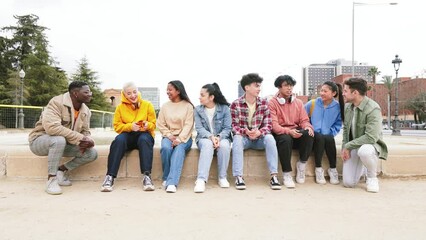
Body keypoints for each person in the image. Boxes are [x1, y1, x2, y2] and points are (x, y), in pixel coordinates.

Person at [28, 81, 98, 195]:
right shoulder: (56, 102)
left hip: (64, 143)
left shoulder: (86, 111)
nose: (90, 93)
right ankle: (51, 179)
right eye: (87, 92)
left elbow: (85, 131)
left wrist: (88, 140)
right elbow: (52, 128)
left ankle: (61, 171)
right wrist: (80, 137)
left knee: (91, 153)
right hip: (39, 141)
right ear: (75, 93)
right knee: (58, 139)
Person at [100, 82, 156, 192]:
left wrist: (146, 125)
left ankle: (147, 176)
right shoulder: (120, 108)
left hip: (144, 134)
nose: (133, 95)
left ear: (138, 91)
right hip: (128, 135)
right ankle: (109, 177)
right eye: (129, 93)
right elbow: (117, 127)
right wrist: (130, 126)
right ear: (124, 95)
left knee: (144, 139)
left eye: (134, 92)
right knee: (118, 140)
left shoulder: (147, 105)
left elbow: (153, 124)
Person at [230, 73, 281, 190]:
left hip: (259, 139)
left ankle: (274, 176)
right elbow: (233, 126)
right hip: (244, 139)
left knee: (269, 138)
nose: (259, 88)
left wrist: (259, 132)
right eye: (256, 86)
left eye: (259, 86)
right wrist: (245, 132)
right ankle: (239, 177)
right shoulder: (235, 104)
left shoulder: (264, 103)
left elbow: (268, 125)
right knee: (237, 138)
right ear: (247, 87)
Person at [341, 78, 388, 193]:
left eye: (345, 91)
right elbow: (346, 130)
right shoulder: (348, 107)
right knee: (348, 183)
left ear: (355, 93)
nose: (343, 93)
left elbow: (371, 137)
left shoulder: (373, 108)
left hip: (370, 146)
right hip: (354, 146)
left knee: (364, 151)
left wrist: (348, 145)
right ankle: (362, 167)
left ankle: (372, 177)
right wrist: (344, 148)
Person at [268, 75, 314, 188]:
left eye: (291, 86)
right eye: (286, 86)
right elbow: (274, 126)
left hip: (295, 132)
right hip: (281, 134)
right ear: (279, 87)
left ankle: (302, 165)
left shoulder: (298, 103)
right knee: (285, 138)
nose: (289, 88)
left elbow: (304, 120)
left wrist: (307, 126)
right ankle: (286, 174)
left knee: (309, 133)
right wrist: (289, 131)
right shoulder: (272, 103)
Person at [193, 83, 232, 193]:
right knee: (207, 144)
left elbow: (227, 128)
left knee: (224, 145)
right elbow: (199, 128)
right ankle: (201, 180)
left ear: (211, 97)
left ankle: (222, 177)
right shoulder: (197, 110)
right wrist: (211, 137)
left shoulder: (224, 109)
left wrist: (218, 137)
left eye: (202, 95)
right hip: (204, 138)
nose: (199, 97)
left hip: (221, 137)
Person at [157, 80, 194, 193]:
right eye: (167, 90)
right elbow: (160, 124)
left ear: (178, 91)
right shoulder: (165, 106)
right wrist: (169, 135)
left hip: (184, 138)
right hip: (168, 136)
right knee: (166, 148)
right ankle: (166, 177)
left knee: (179, 150)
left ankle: (172, 183)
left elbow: (188, 125)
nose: (167, 92)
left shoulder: (188, 106)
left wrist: (179, 139)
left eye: (170, 90)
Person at [304, 81, 344, 185]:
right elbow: (302, 118)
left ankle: (333, 169)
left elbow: (338, 124)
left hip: (327, 137)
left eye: (325, 91)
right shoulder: (312, 103)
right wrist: (309, 128)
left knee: (329, 138)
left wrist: (331, 132)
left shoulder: (338, 107)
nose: (322, 93)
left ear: (333, 93)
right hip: (313, 136)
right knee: (320, 137)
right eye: (321, 90)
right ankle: (318, 169)